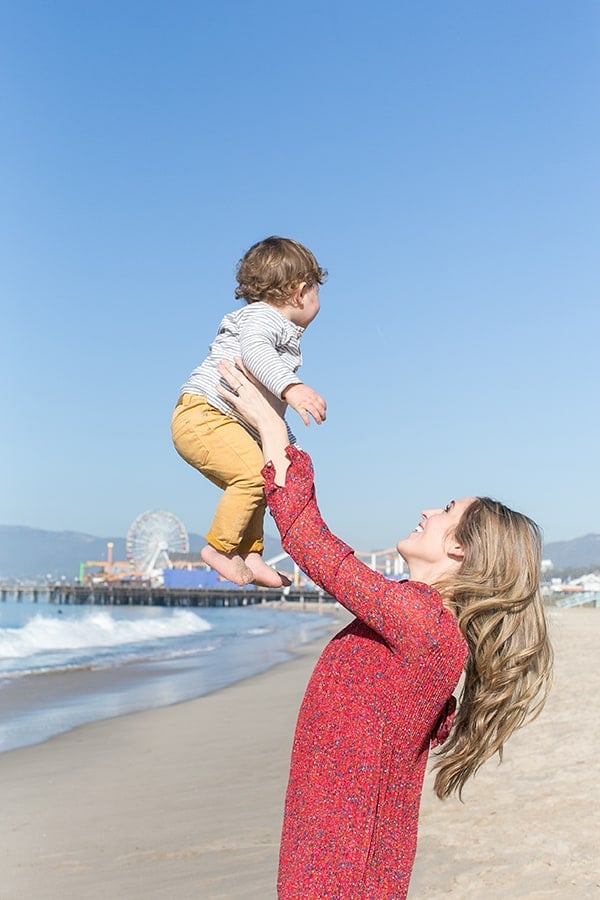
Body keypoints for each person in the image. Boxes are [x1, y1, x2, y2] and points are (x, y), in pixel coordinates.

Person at [217, 358, 553, 900]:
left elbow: (314, 547)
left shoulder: (422, 621)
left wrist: (275, 431)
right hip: (348, 849)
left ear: (460, 547)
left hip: (341, 856)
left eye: (445, 510)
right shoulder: (431, 631)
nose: (427, 510)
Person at [171, 236, 327, 588]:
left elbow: (267, 409)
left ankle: (249, 553)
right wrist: (292, 387)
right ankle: (220, 549)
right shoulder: (261, 317)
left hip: (221, 420)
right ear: (300, 292)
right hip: (204, 415)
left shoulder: (272, 324)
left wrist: (289, 444)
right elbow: (256, 355)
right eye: (317, 291)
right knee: (253, 476)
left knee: (263, 473)